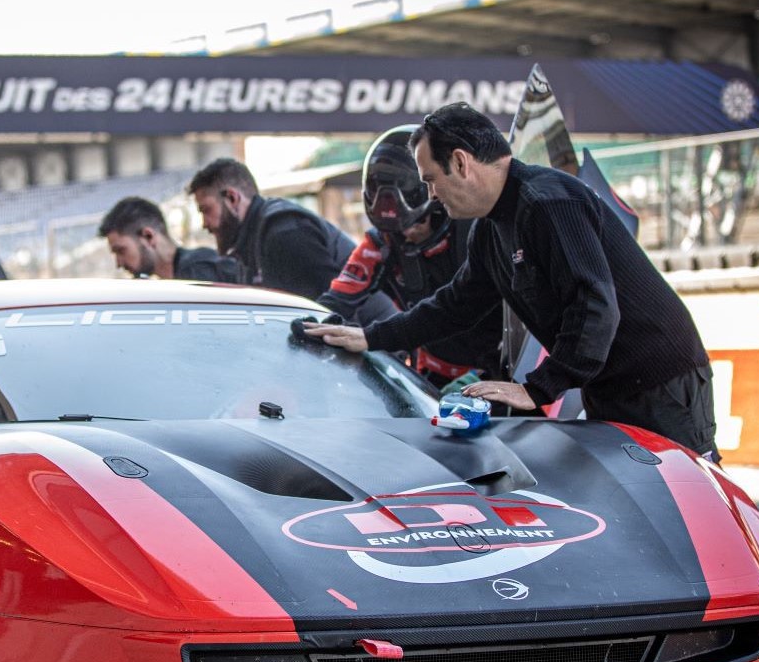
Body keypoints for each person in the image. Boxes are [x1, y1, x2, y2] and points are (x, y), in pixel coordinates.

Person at [306, 101, 718, 459]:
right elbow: (456, 306)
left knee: (682, 507)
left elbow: (593, 305)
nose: (432, 194)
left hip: (661, 386)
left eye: (431, 179)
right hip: (609, 388)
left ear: (462, 163)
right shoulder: (492, 228)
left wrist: (538, 389)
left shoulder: (548, 202)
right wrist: (372, 337)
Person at [318, 124, 501, 387]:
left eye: (414, 225)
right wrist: (309, 324)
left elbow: (518, 318)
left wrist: (494, 374)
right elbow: (337, 299)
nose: (407, 236)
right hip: (428, 373)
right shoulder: (382, 242)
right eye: (398, 230)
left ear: (436, 206)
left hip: (494, 375)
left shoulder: (476, 231)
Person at [186, 157, 353, 300]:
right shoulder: (253, 241)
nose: (205, 224)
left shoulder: (284, 232)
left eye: (207, 210)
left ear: (232, 198)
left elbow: (328, 311)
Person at [96, 196, 239, 281]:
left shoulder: (199, 271)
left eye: (121, 250)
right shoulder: (178, 278)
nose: (119, 263)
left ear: (148, 237)